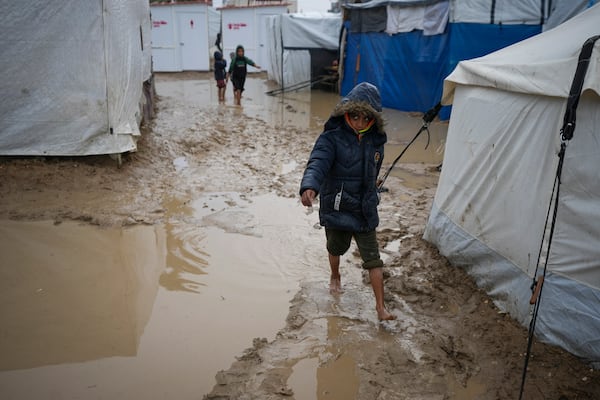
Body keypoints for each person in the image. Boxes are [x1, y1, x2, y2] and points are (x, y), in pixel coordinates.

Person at [299, 82, 396, 321]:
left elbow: (374, 168)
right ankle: (335, 275)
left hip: (364, 208)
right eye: (354, 116)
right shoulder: (331, 138)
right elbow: (318, 162)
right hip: (337, 205)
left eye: (366, 118)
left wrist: (374, 186)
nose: (360, 123)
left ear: (373, 118)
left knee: (373, 259)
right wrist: (310, 186)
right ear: (345, 113)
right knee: (335, 248)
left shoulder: (376, 141)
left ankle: (380, 308)